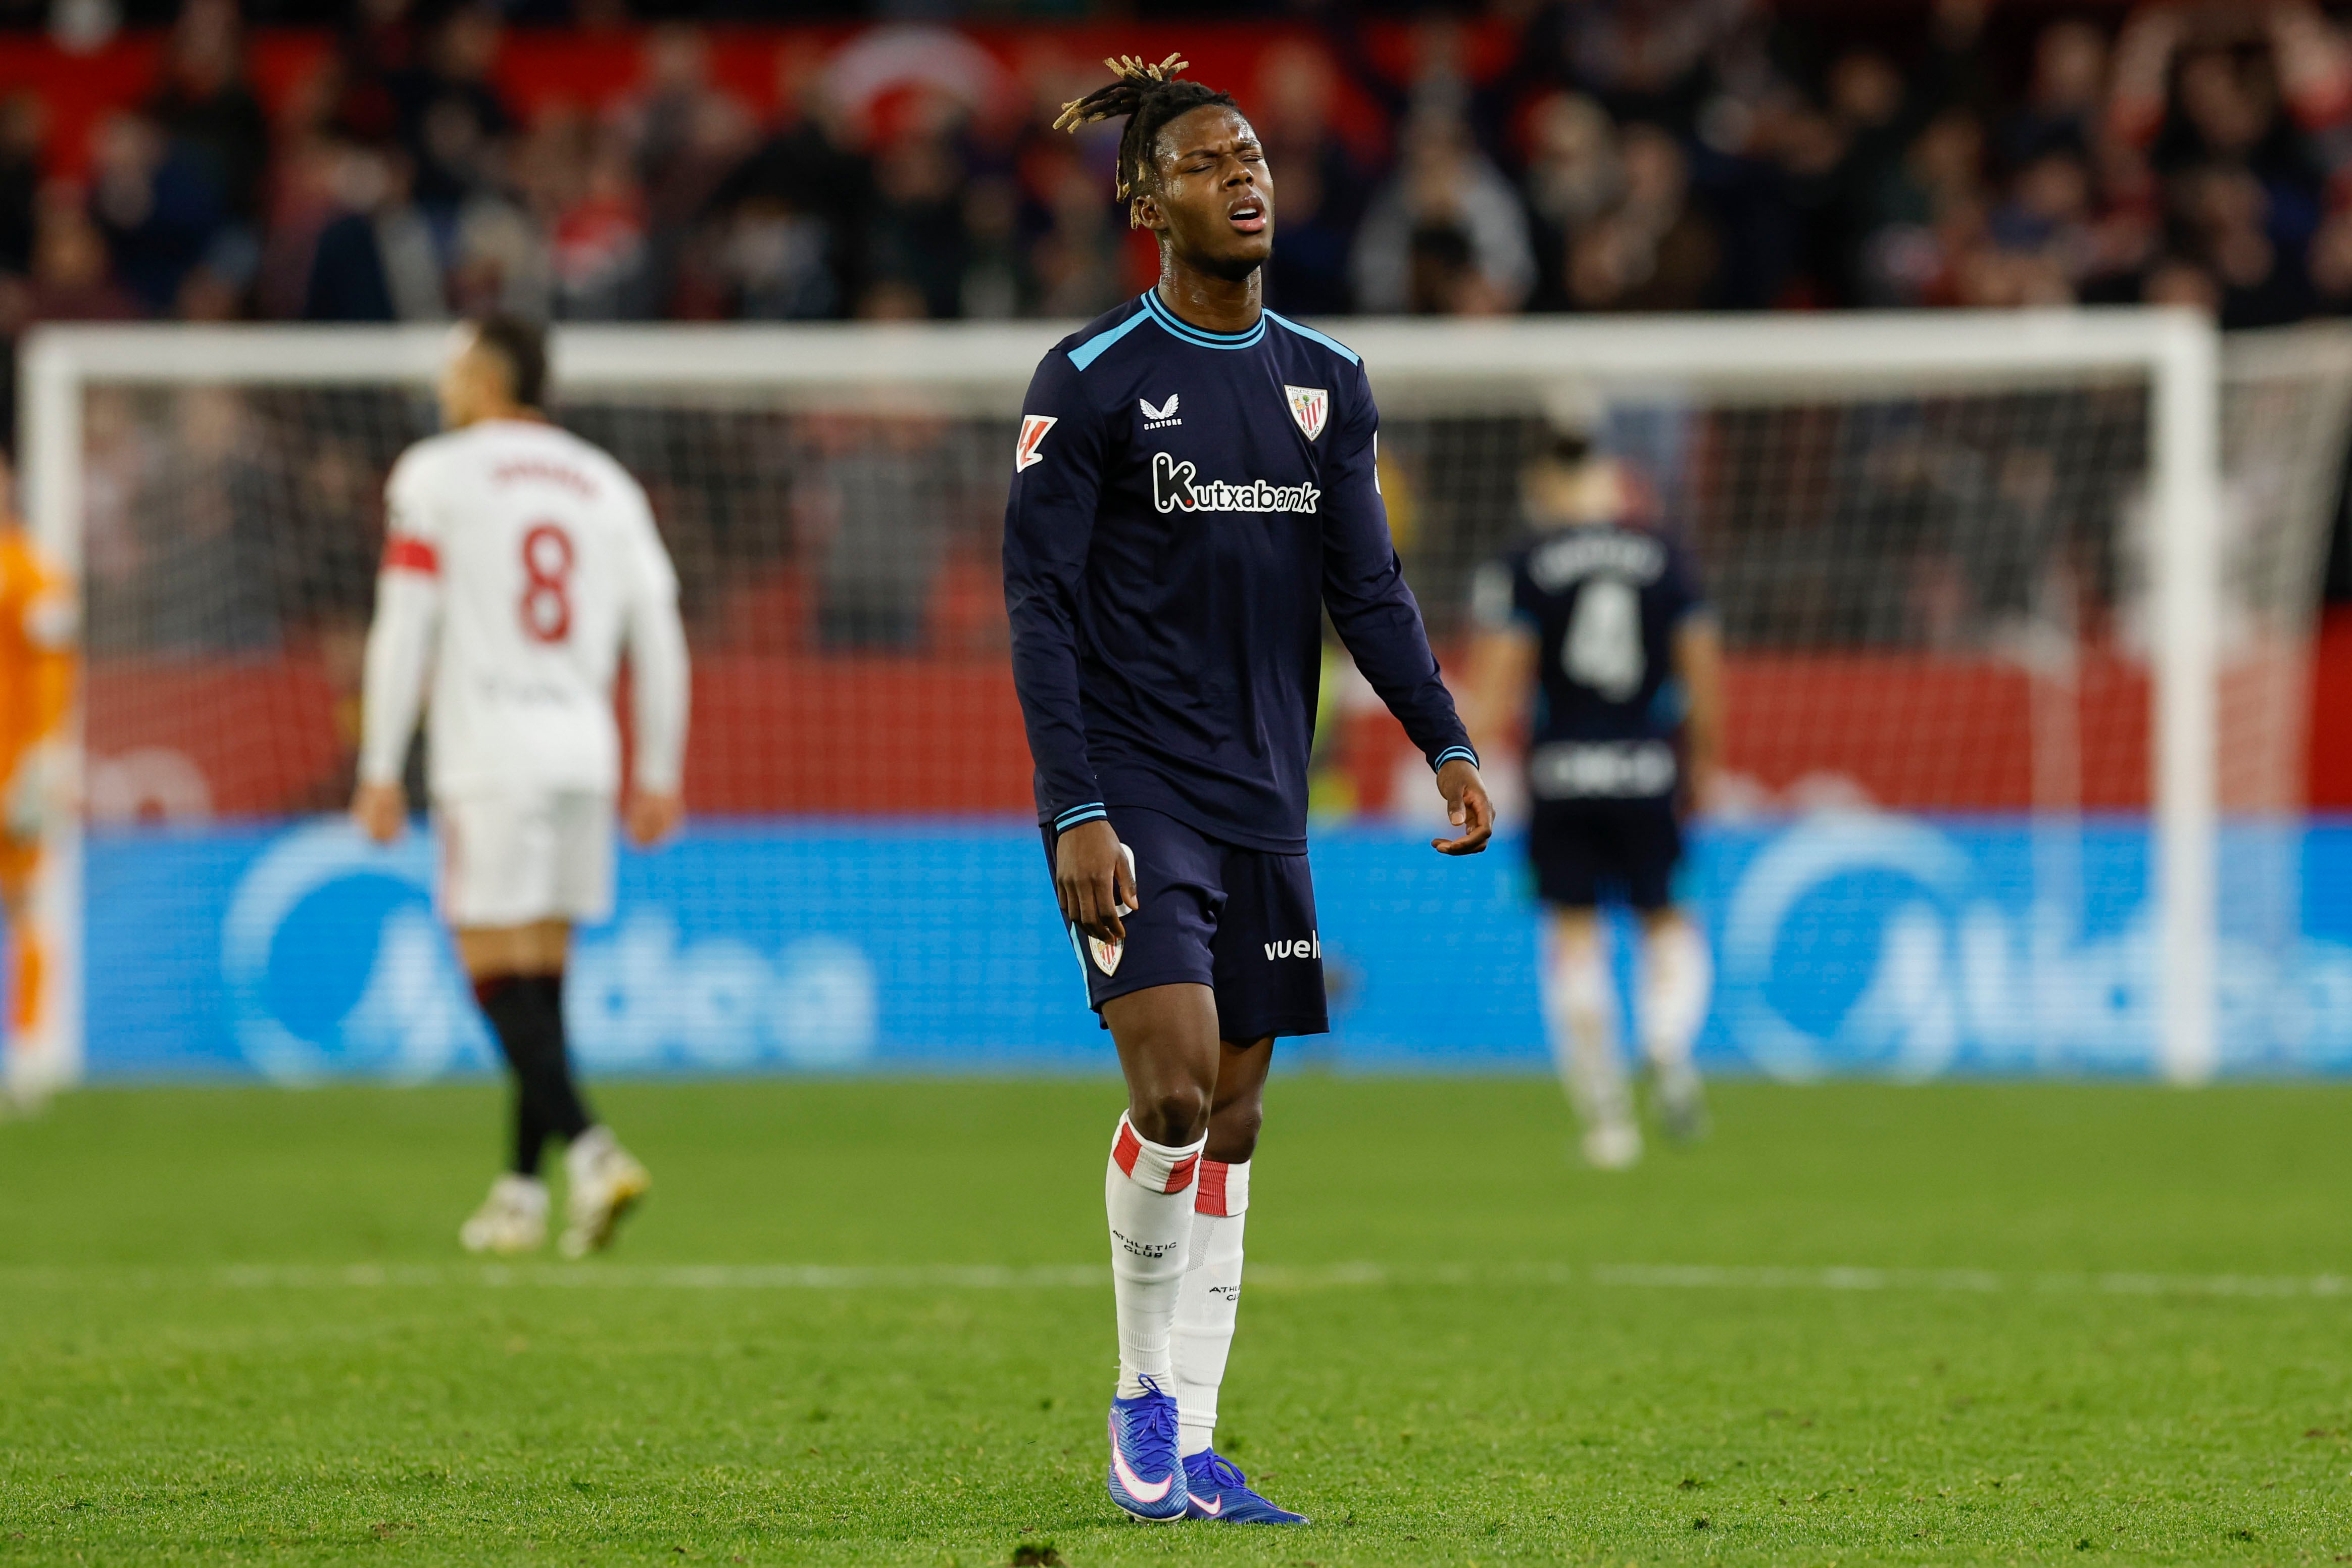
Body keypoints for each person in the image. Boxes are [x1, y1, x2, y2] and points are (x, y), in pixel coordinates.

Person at [1006, 54, 1494, 1528]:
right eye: (1213, 161)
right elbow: (1036, 604)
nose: (1247, 177)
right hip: (1132, 788)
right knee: (1165, 1083)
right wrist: (1073, 807)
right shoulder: (1087, 382)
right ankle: (1139, 1394)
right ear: (1145, 196)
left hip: (1263, 795)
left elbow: (1370, 584)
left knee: (1232, 1118)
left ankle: (1197, 1438)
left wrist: (1446, 737)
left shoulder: (1324, 381)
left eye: (1257, 158)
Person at [353, 315, 688, 1258]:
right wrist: (658, 765)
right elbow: (658, 631)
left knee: (495, 972)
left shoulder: (436, 471)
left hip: (489, 751)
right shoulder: (603, 480)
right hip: (585, 749)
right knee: (540, 981)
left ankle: (591, 1148)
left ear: (487, 376)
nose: (444, 379)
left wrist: (379, 763)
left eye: (456, 363)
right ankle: (517, 1192)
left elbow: (404, 623)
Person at [1463, 416, 1721, 1169]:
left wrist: (1468, 757)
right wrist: (1702, 762)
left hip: (1562, 768)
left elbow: (1502, 675)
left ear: (1547, 483)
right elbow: (1701, 666)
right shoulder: (1665, 553)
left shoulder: (1529, 561)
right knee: (1667, 918)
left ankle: (1607, 1117)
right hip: (1648, 764)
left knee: (1574, 931)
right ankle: (1668, 1044)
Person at [0, 460, 75, 1106]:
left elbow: (55, 669)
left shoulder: (33, 572)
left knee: (22, 900)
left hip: (11, 768)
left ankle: (30, 1051)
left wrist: (44, 757)